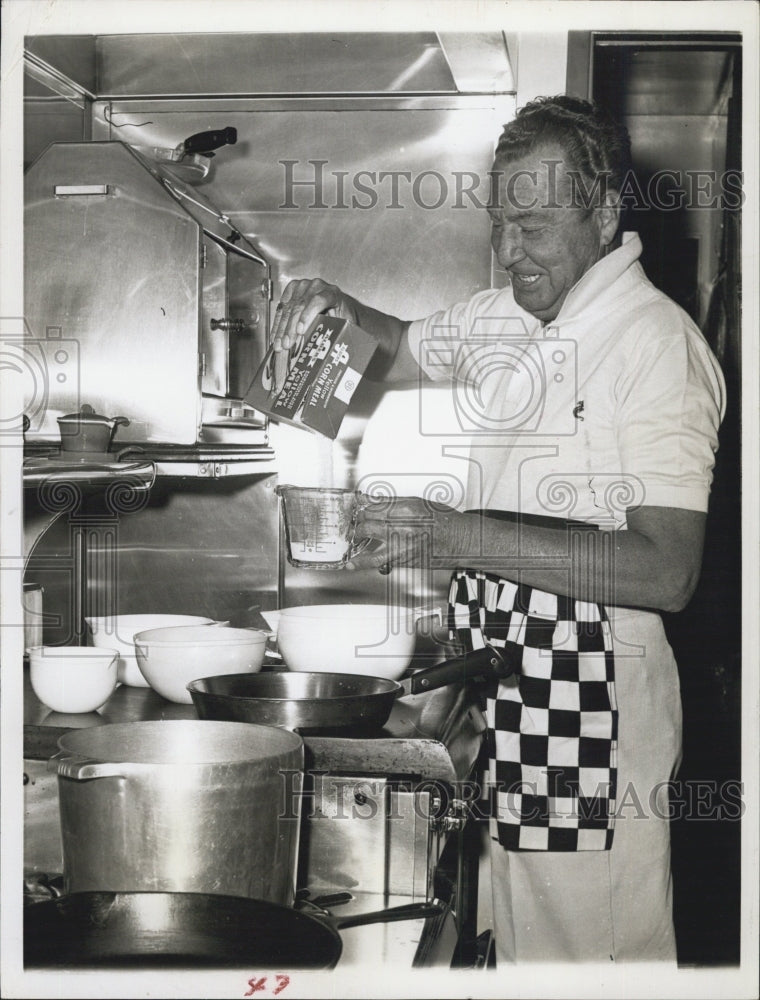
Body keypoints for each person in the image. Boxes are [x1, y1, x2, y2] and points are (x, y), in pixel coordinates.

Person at [270, 95, 726, 964]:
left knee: (585, 960)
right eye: (499, 223)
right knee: (520, 950)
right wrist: (330, 306)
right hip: (511, 683)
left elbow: (669, 571)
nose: (510, 250)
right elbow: (393, 345)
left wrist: (456, 537)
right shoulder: (506, 316)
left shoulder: (655, 346)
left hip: (594, 711)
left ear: (604, 213)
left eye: (535, 224)